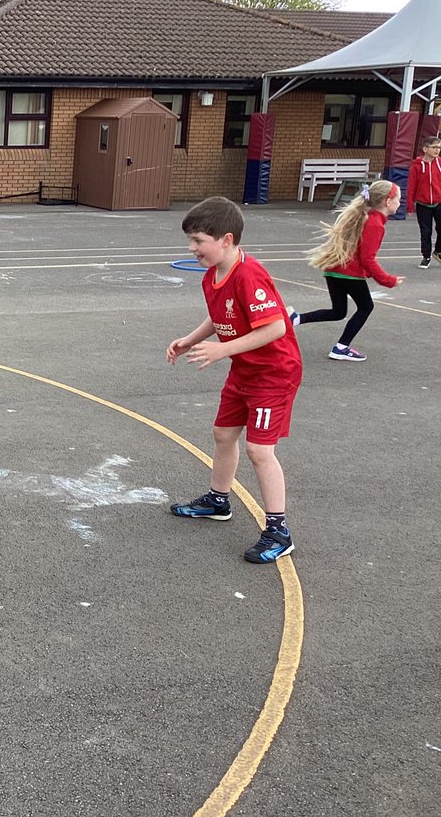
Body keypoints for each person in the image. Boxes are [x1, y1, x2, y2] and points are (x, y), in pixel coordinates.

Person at [166, 197, 302, 564]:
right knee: (223, 434)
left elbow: (275, 327)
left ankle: (278, 530)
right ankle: (218, 500)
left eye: (198, 241)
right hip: (244, 369)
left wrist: (221, 351)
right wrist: (190, 340)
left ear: (226, 239)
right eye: (191, 242)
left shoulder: (249, 274)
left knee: (260, 451)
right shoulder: (213, 276)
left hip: (273, 374)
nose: (192, 249)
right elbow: (219, 316)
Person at [285, 180, 404, 363]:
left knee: (339, 311)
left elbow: (361, 255)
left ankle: (295, 318)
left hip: (334, 270)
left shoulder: (365, 217)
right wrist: (388, 280)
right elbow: (367, 259)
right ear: (387, 202)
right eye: (398, 199)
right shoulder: (375, 224)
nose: (400, 203)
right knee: (366, 307)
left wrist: (372, 274)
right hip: (348, 273)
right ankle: (341, 347)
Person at [406, 136, 441, 269]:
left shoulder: (440, 163)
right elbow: (411, 187)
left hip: (439, 201)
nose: (437, 150)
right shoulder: (416, 166)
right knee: (426, 231)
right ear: (425, 149)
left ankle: (438, 251)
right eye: (434, 147)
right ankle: (426, 256)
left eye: (439, 147)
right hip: (423, 204)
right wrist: (410, 205)